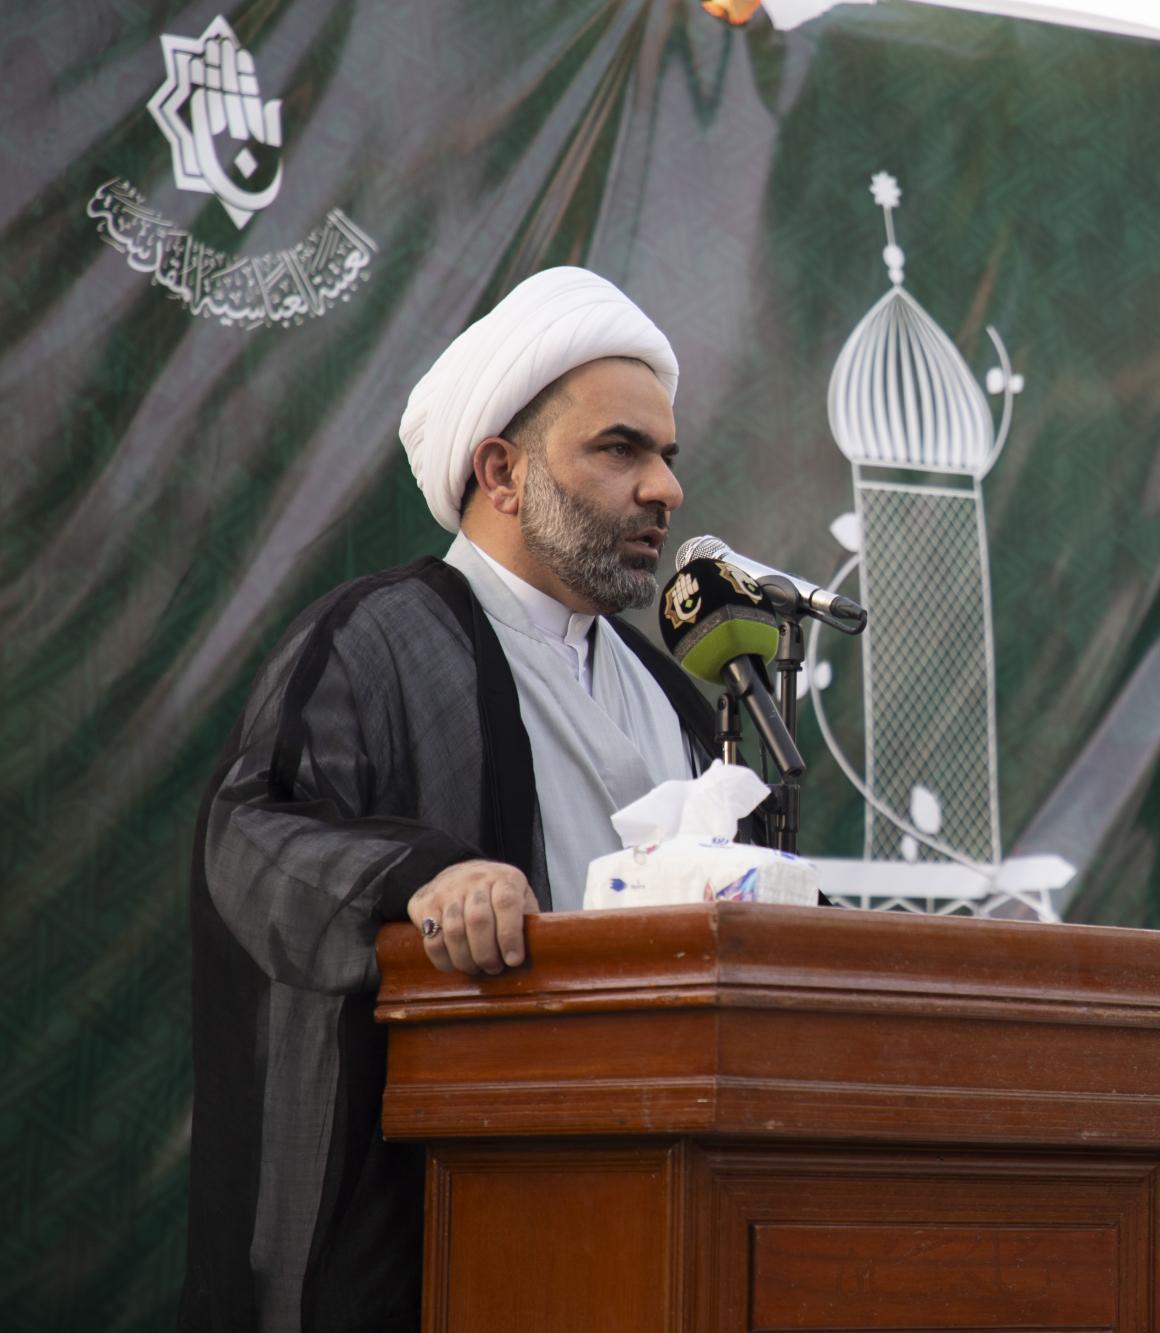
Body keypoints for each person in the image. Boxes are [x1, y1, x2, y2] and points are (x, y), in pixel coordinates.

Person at [179, 268, 731, 1332]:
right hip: (443, 1219)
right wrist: (428, 880)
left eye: (667, 455)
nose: (664, 487)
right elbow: (250, 835)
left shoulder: (674, 698)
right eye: (620, 449)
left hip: (649, 1212)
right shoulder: (380, 641)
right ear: (501, 471)